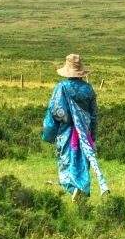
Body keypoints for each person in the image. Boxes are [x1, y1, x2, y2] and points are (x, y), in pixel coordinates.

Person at [42, 54, 109, 201]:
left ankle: (73, 186)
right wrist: (93, 134)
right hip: (85, 132)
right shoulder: (88, 89)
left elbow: (54, 111)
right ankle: (81, 188)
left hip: (66, 131)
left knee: (66, 161)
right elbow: (94, 114)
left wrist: (49, 132)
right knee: (83, 160)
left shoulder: (62, 87)